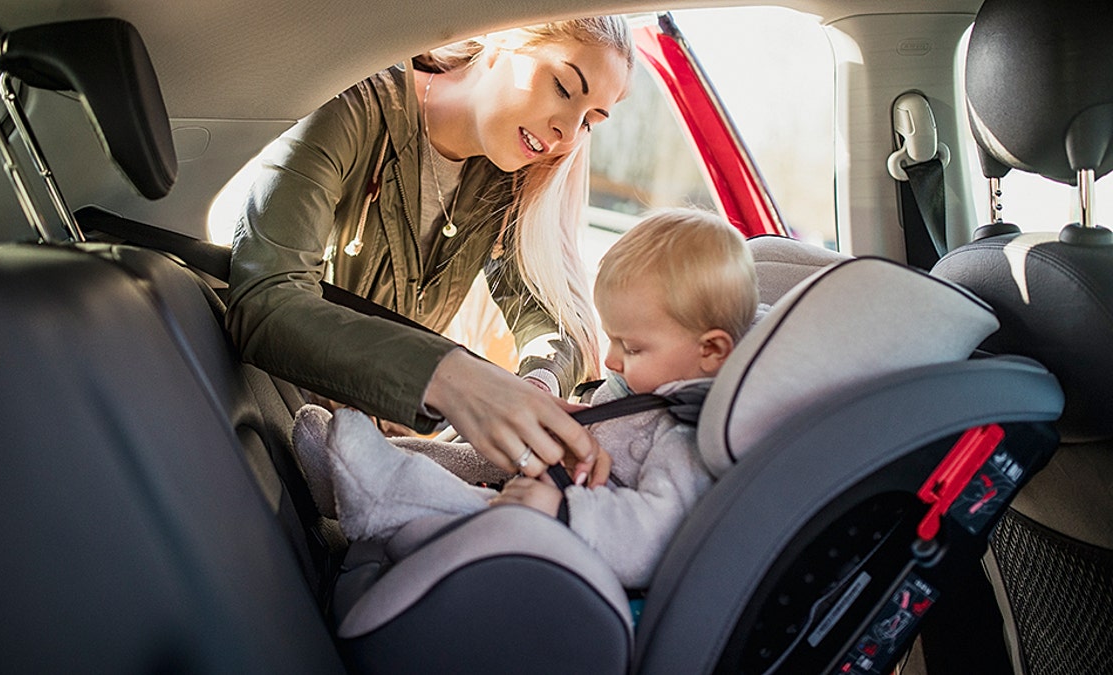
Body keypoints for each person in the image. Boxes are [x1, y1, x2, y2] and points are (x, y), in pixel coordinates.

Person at [226, 17, 636, 482]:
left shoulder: (509, 176)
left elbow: (547, 318)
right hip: (278, 423)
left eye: (590, 121)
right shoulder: (352, 108)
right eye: (563, 87)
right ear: (502, 38)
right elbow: (265, 301)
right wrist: (449, 377)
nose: (568, 131)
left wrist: (535, 386)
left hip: (373, 448)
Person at [294, 208, 760, 588]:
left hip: (557, 539)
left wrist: (560, 511)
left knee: (467, 505)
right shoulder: (653, 386)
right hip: (552, 478)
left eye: (632, 348)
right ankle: (349, 468)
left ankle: (373, 488)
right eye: (612, 339)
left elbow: (652, 539)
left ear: (711, 351)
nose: (612, 360)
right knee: (475, 455)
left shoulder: (688, 438)